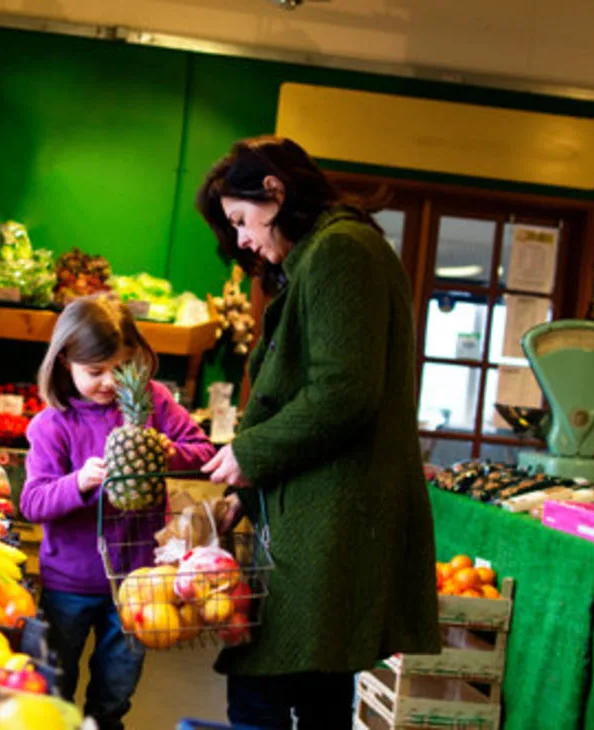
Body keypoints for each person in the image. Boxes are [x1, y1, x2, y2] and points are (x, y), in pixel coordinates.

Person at [196, 136, 441, 729]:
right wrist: (243, 494)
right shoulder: (329, 252)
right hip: (321, 519)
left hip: (330, 527)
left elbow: (343, 392)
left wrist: (248, 451)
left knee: (266, 687)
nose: (242, 240)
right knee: (319, 691)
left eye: (241, 219)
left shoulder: (339, 253)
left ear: (275, 193)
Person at [20, 295, 216, 730]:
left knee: (116, 692)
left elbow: (203, 452)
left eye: (121, 368)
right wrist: (79, 483)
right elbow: (33, 502)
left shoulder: (156, 402)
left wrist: (170, 452)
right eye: (95, 372)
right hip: (69, 584)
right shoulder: (53, 424)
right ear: (65, 361)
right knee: (55, 688)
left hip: (138, 583)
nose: (109, 382)